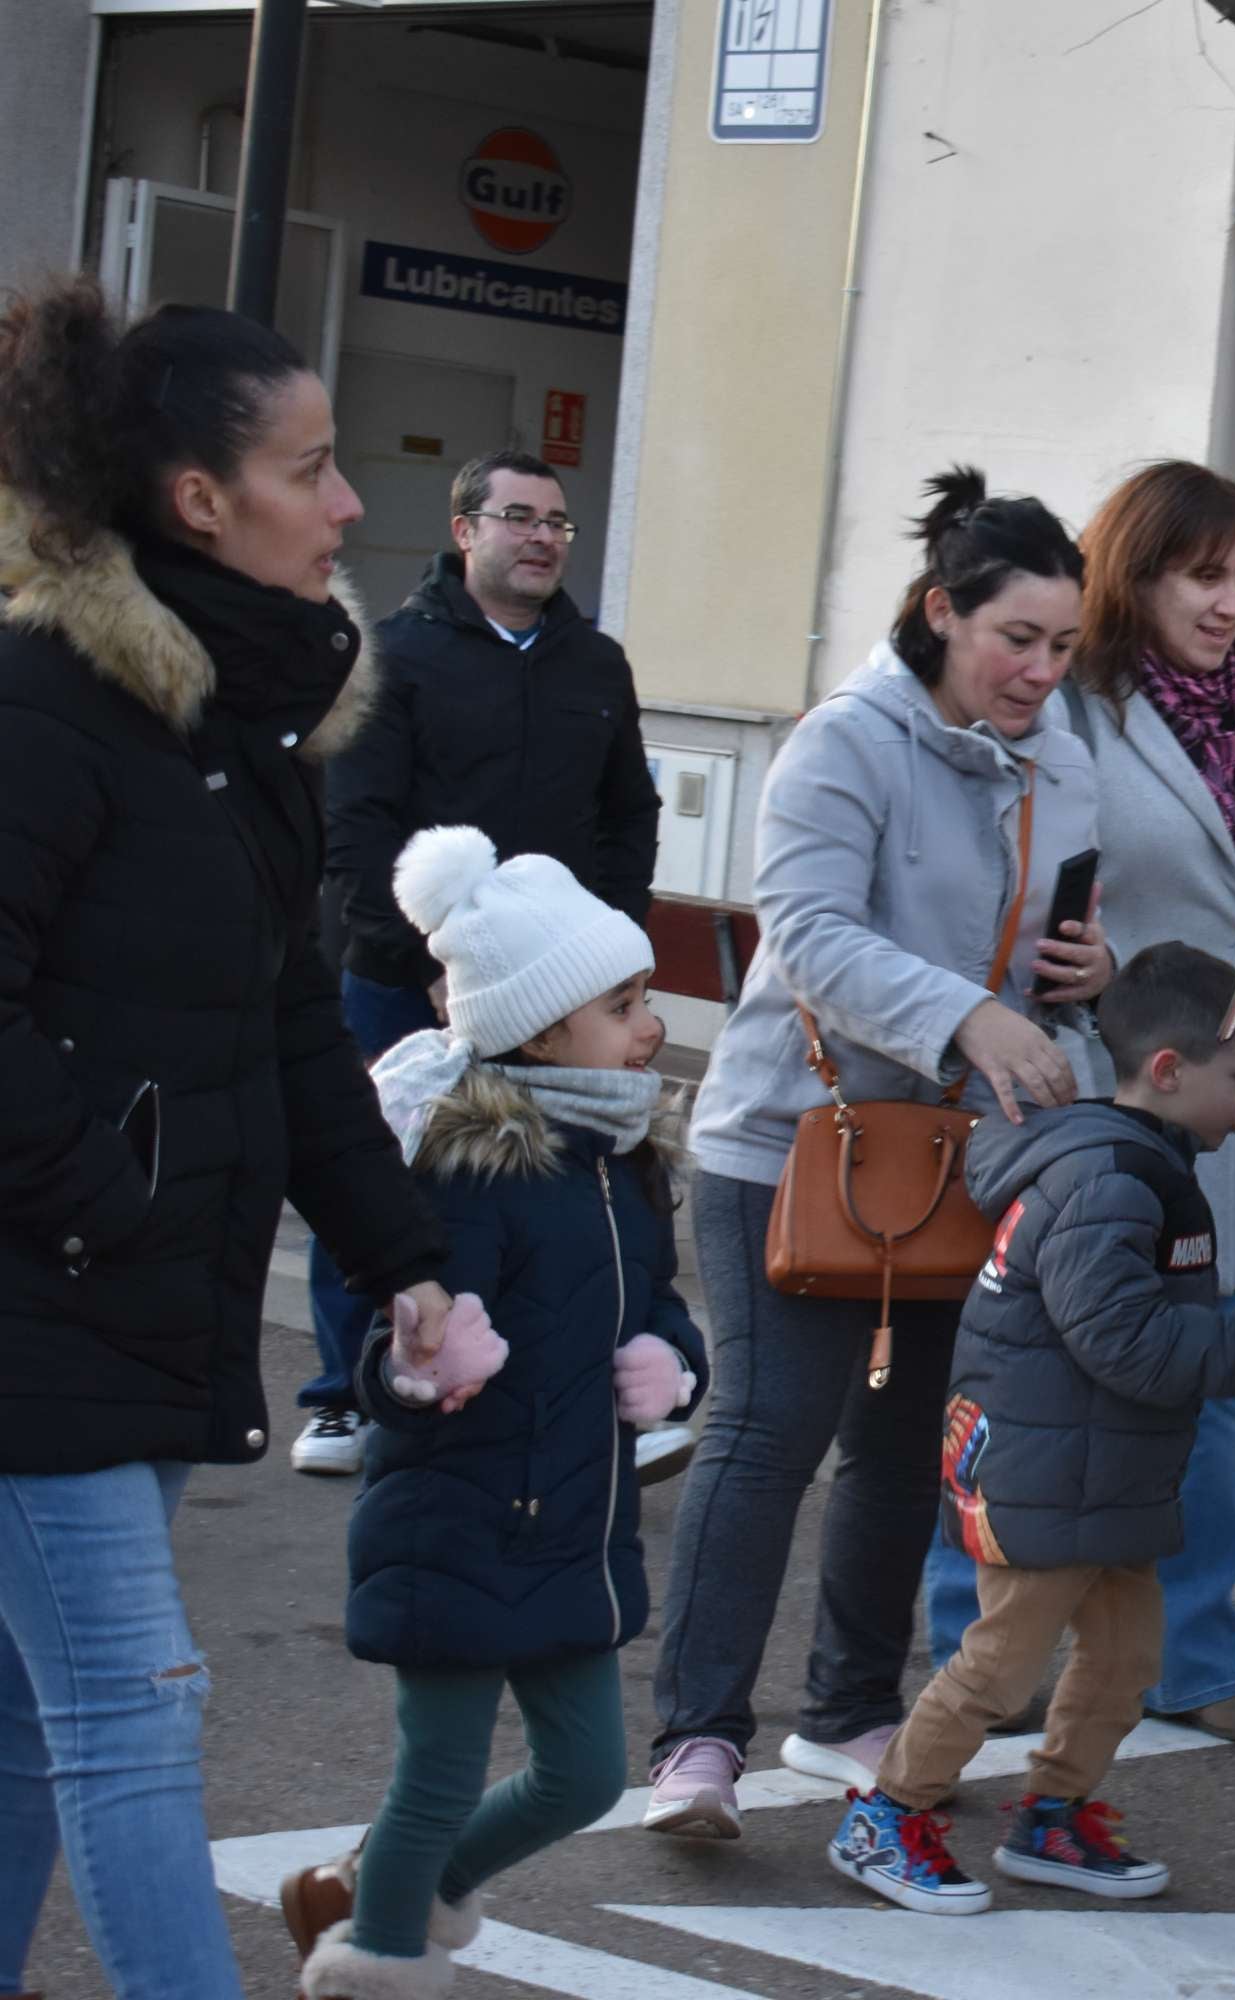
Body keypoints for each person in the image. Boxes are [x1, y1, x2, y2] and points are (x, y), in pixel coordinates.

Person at [0, 278, 454, 2000]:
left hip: (131, 1290)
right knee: (129, 1711)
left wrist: (396, 1249)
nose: (348, 506)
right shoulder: (43, 698)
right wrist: (107, 1195)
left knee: (35, 1726)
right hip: (44, 1291)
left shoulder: (239, 718)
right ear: (202, 499)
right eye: (315, 467)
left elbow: (284, 1019)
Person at [644, 471, 1111, 1838]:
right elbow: (807, 931)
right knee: (766, 1436)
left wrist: (1085, 971)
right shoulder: (846, 741)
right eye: (1016, 638)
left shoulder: (1059, 748)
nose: (1041, 670)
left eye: (1064, 645)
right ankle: (697, 1743)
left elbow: (1046, 948)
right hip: (787, 1145)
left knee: (906, 1444)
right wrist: (970, 1009)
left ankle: (849, 1710)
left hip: (954, 1148)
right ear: (941, 612)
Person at [279, 830, 706, 2000]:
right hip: (459, 1518)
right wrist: (424, 1364)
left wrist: (672, 1359)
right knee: (439, 1770)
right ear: (540, 1024)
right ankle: (375, 1962)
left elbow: (659, 1301)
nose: (651, 1022)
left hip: (572, 1518)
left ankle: (377, 1892)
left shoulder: (620, 1153)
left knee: (585, 1773)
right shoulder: (469, 1165)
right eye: (623, 1003)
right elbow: (387, 1353)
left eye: (644, 996)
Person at [825, 943, 1235, 1915]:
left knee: (1125, 1659)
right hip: (1044, 1468)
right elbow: (1135, 1348)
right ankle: (887, 1811)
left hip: (1103, 1472)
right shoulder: (1110, 1180)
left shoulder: (1145, 1163)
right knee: (998, 1664)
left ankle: (1054, 1812)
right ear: (1169, 1070)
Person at [308, 449, 662, 1479]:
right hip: (402, 984)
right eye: (518, 516)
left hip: (559, 1001)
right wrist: (430, 969)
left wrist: (607, 956)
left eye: (558, 520)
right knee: (380, 1181)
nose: (544, 536)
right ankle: (347, 1390)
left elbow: (627, 815)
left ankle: (536, 1384)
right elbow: (358, 824)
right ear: (465, 530)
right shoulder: (397, 654)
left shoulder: (596, 665)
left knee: (548, 1196)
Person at [1058, 460, 1235, 1747]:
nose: (1227, 600)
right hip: (1112, 1085)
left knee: (1221, 1380)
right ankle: (986, 1647)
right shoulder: (1079, 700)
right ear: (1136, 572)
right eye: (1202, 574)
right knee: (1057, 1375)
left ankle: (1196, 1659)